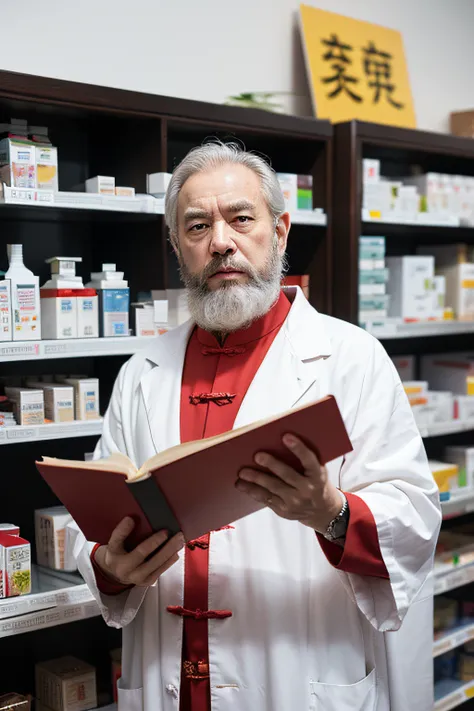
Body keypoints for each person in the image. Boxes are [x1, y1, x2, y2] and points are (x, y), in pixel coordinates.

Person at [72, 142, 441, 711]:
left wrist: (332, 512)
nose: (220, 242)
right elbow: (92, 517)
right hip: (170, 674)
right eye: (197, 226)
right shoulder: (141, 373)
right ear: (178, 246)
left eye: (240, 218)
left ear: (280, 230)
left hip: (295, 671)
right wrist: (110, 566)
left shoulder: (350, 358)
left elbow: (414, 515)